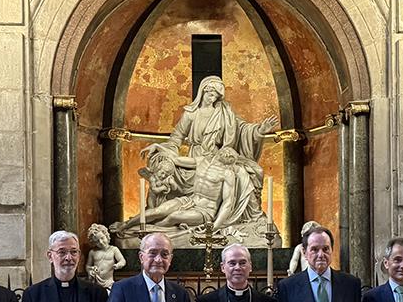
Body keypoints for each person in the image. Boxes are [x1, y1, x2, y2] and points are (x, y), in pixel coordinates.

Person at [111, 76, 278, 244]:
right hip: (197, 159)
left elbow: (243, 130)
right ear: (203, 91)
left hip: (217, 159)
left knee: (251, 171)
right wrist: (161, 148)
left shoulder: (225, 112)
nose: (212, 97)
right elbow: (176, 138)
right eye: (210, 92)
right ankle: (135, 225)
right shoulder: (191, 114)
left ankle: (254, 217)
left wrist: (260, 130)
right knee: (165, 171)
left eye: (216, 94)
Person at [85, 223, 125, 289]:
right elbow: (88, 266)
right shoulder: (92, 252)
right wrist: (90, 270)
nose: (100, 242)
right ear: (94, 243)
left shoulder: (114, 249)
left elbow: (122, 261)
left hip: (109, 281)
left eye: (102, 238)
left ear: (106, 235)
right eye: (97, 241)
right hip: (96, 281)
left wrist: (118, 265)